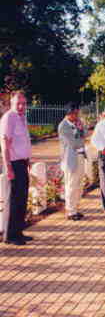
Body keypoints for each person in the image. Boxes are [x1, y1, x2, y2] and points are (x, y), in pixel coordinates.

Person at [0, 90, 32, 245]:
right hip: (13, 164)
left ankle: (18, 231)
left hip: (22, 163)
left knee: (22, 199)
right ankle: (10, 236)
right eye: (17, 103)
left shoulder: (22, 118)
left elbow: (24, 141)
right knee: (12, 200)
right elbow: (4, 144)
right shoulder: (9, 118)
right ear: (11, 103)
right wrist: (8, 167)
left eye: (23, 103)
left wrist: (29, 160)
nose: (21, 106)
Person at [58, 103, 86, 221]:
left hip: (80, 156)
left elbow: (85, 135)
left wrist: (81, 130)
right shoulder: (63, 126)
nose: (77, 116)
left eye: (78, 113)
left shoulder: (77, 123)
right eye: (75, 113)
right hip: (70, 160)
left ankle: (75, 208)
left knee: (79, 184)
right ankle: (70, 211)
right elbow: (75, 143)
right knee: (71, 185)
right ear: (69, 113)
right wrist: (80, 132)